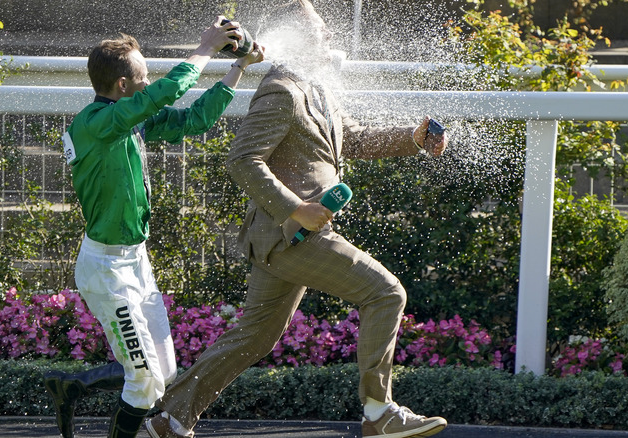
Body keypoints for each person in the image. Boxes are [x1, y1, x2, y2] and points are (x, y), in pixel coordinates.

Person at [145, 2, 448, 438]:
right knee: (386, 294)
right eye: (319, 31)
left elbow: (354, 140)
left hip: (288, 239)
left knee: (255, 336)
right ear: (298, 39)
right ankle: (380, 414)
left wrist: (413, 138)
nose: (328, 37)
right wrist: (295, 208)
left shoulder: (317, 87)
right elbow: (243, 160)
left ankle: (168, 419)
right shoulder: (282, 90)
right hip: (291, 237)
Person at [42, 17, 265, 438]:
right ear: (123, 86)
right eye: (143, 77)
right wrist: (205, 48)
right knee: (144, 385)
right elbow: (165, 92)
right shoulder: (94, 123)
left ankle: (73, 387)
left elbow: (194, 119)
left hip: (135, 261)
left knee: (162, 373)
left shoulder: (128, 119)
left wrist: (238, 68)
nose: (150, 84)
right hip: (107, 271)